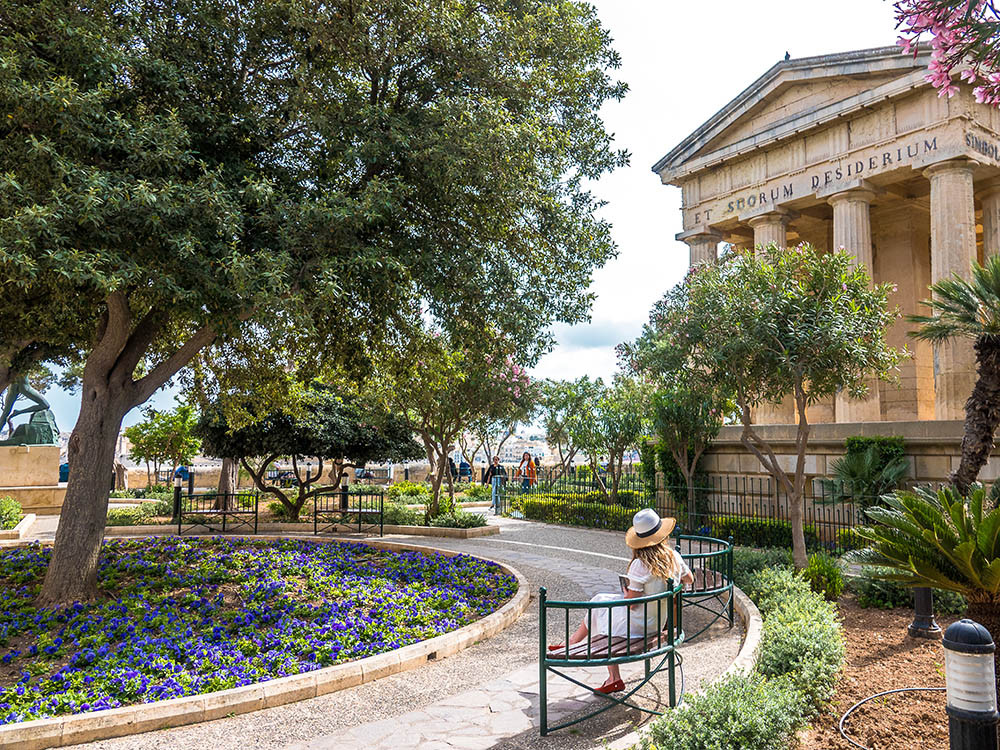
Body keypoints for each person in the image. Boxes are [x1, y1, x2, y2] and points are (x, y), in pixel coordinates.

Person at [548, 509, 694, 694]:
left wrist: (626, 592)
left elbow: (631, 604)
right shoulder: (673, 557)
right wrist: (669, 581)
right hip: (657, 623)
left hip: (637, 626)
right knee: (600, 601)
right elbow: (689, 579)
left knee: (600, 607)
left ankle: (604, 669)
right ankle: (577, 647)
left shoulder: (640, 564)